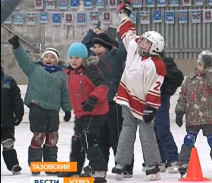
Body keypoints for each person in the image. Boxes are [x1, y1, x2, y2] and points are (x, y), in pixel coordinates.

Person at [111, 0, 166, 181]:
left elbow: (154, 87)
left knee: (146, 132)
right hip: (127, 96)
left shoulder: (157, 65)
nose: (141, 43)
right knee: (127, 129)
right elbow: (128, 32)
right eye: (142, 40)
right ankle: (120, 164)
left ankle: (152, 165)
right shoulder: (134, 47)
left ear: (155, 48)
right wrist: (125, 14)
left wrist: (151, 106)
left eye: (146, 43)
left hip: (144, 104)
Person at [8, 35, 72, 176]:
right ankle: (36, 164)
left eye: (52, 57)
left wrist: (67, 109)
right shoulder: (34, 69)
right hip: (37, 107)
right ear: (41, 59)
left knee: (52, 137)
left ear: (56, 60)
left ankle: (50, 165)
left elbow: (65, 94)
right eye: (46, 56)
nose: (49, 59)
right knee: (39, 136)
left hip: (53, 111)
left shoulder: (61, 75)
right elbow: (23, 59)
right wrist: (17, 46)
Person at [81, 27, 134, 177]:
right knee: (100, 137)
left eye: (100, 46)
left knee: (117, 136)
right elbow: (80, 51)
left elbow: (124, 48)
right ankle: (99, 166)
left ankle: (125, 165)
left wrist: (120, 32)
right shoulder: (91, 60)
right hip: (98, 106)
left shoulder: (115, 56)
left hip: (114, 103)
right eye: (95, 46)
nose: (97, 49)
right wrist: (91, 33)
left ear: (108, 47)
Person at [58, 43, 108, 183]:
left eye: (77, 58)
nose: (74, 61)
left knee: (87, 137)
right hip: (81, 113)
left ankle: (98, 170)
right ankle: (74, 169)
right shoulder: (70, 72)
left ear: (84, 58)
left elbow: (103, 85)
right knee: (77, 139)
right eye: (71, 57)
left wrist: (93, 99)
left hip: (95, 111)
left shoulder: (89, 71)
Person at [175, 50, 212, 178]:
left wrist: (209, 70)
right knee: (189, 139)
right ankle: (183, 163)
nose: (201, 68)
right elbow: (183, 96)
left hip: (209, 116)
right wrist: (179, 111)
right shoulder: (189, 79)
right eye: (199, 65)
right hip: (192, 116)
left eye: (204, 65)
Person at [142, 52, 184, 173]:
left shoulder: (165, 62)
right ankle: (158, 159)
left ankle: (172, 158)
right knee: (150, 129)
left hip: (160, 99)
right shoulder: (142, 61)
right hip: (146, 99)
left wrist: (167, 91)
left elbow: (177, 77)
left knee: (162, 128)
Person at [1, 66, 24, 175]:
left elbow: (17, 99)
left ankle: (13, 165)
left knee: (8, 144)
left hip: (6, 121)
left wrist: (19, 113)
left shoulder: (8, 81)